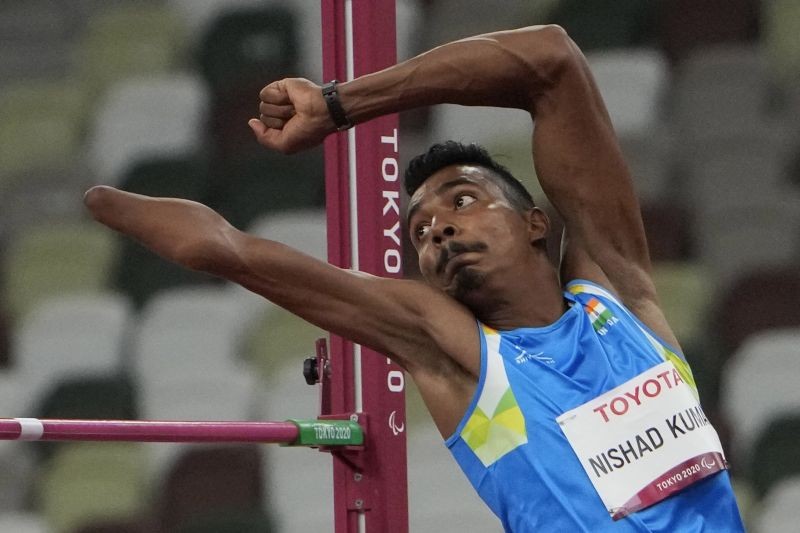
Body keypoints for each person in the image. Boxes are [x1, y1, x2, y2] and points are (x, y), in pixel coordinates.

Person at [84, 25, 744, 532]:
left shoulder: (619, 290)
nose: (440, 232)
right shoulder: (457, 351)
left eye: (462, 200)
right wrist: (101, 200)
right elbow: (232, 250)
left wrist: (340, 105)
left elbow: (552, 59)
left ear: (536, 223)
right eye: (421, 233)